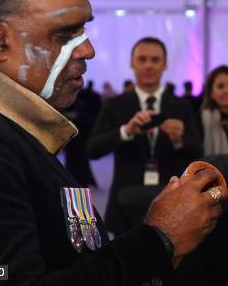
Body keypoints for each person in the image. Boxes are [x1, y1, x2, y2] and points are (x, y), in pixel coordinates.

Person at [0, 0, 227, 285]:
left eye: (84, 28)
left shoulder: (7, 128)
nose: (88, 49)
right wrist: (158, 239)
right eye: (63, 33)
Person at [87, 37, 202, 235]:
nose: (148, 66)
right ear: (132, 63)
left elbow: (198, 151)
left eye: (155, 60)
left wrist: (179, 140)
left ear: (165, 64)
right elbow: (92, 149)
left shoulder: (181, 105)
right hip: (125, 200)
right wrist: (126, 131)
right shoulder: (115, 104)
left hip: (171, 199)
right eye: (142, 59)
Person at [63, 80, 101, 187]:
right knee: (76, 161)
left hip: (81, 134)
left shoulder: (90, 97)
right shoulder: (72, 97)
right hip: (74, 135)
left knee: (80, 161)